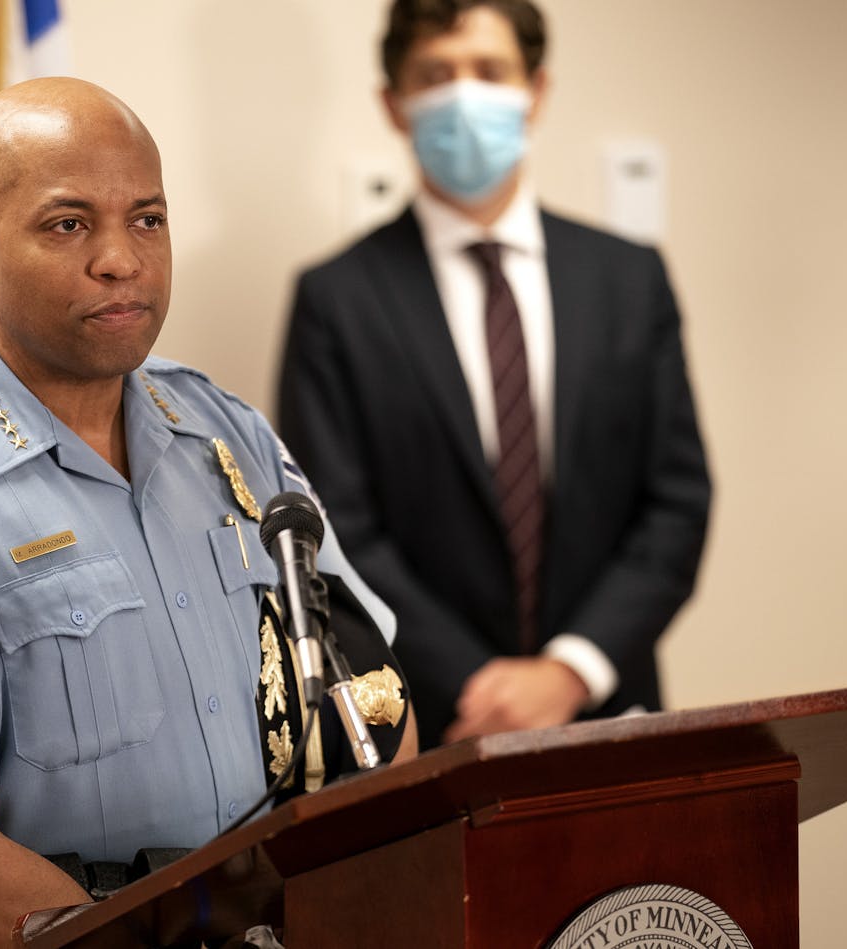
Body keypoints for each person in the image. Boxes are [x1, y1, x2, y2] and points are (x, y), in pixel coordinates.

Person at [0, 77, 403, 948]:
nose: (120, 258)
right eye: (68, 223)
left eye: (148, 219)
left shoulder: (229, 434)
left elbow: (373, 699)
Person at [278, 0, 711, 750]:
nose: (464, 95)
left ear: (535, 91)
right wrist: (485, 686)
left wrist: (568, 672)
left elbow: (675, 501)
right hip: (433, 726)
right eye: (435, 75)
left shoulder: (629, 280)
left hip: (615, 717)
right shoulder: (336, 300)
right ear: (393, 104)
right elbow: (337, 529)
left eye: (490, 71)